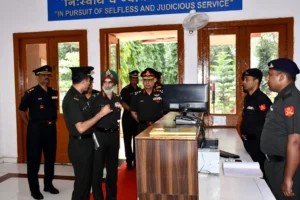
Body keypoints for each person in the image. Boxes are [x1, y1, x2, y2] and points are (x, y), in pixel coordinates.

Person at [62, 66, 112, 200]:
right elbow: (81, 128)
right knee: (82, 183)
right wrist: (101, 114)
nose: (90, 83)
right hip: (79, 145)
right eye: (89, 80)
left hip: (87, 143)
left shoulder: (80, 96)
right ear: (84, 80)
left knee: (86, 182)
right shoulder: (72, 99)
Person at [261, 58, 300, 200]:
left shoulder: (291, 100)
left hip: (285, 166)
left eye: (270, 74)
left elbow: (295, 141)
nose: (267, 78)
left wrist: (288, 178)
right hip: (274, 164)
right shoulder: (282, 98)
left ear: (281, 77)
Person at [18, 65, 59, 200]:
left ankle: (48, 185)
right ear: (38, 76)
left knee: (50, 159)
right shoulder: (31, 93)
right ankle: (34, 190)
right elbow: (21, 110)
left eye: (48, 75)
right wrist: (29, 124)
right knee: (34, 159)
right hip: (35, 129)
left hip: (50, 129)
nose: (46, 77)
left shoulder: (53, 92)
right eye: (43, 75)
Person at [90, 69, 122, 200]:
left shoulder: (118, 99)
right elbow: (90, 119)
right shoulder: (95, 99)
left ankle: (111, 196)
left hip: (114, 136)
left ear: (114, 84)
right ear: (102, 83)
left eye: (110, 83)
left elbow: (117, 117)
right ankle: (98, 196)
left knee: (112, 169)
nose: (107, 85)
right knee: (97, 169)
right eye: (105, 82)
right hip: (99, 136)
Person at [240, 68, 272, 177]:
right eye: (243, 79)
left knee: (260, 174)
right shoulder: (248, 98)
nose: (243, 82)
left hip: (258, 144)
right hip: (248, 142)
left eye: (247, 79)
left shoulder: (261, 100)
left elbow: (269, 121)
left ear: (256, 81)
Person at [130, 68, 163, 134]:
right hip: (142, 127)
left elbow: (165, 111)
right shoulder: (137, 95)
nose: (147, 82)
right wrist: (140, 120)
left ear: (154, 80)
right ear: (142, 81)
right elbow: (133, 112)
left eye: (150, 80)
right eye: (145, 80)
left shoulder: (161, 94)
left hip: (157, 127)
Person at [120, 70, 141, 170]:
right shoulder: (125, 90)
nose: (135, 80)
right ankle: (129, 162)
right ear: (129, 79)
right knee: (127, 141)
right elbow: (123, 104)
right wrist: (133, 112)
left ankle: (137, 161)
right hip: (128, 118)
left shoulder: (141, 90)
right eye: (133, 78)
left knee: (137, 141)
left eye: (136, 78)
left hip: (137, 120)